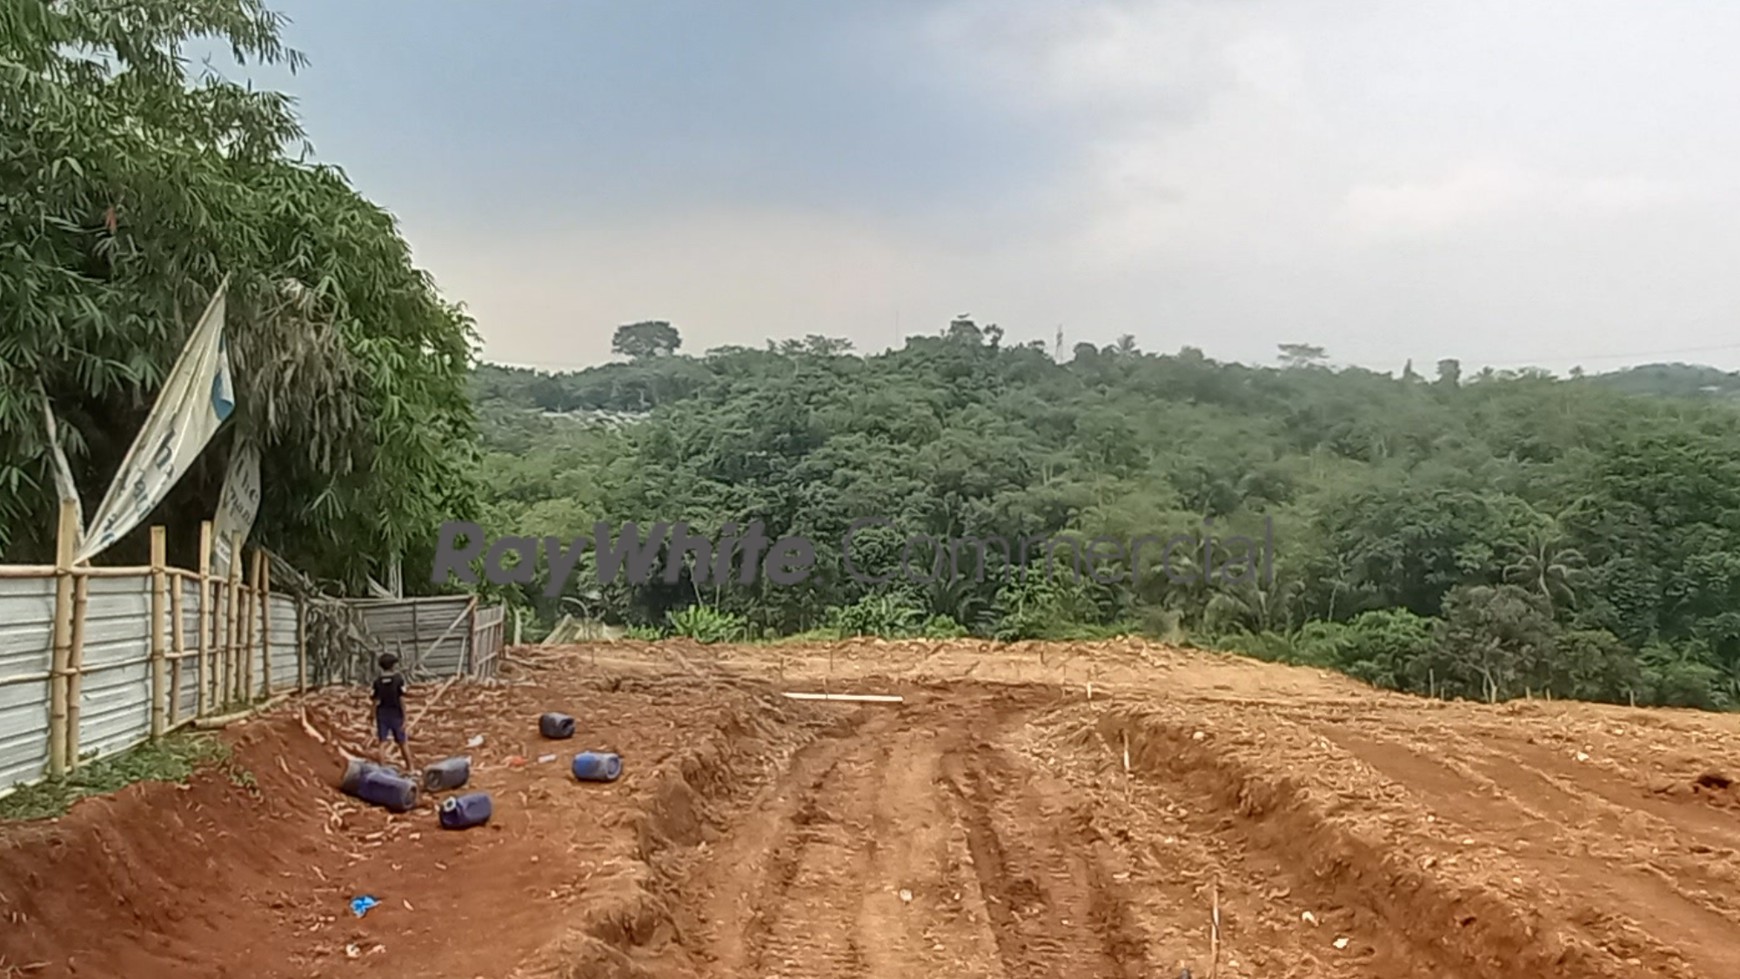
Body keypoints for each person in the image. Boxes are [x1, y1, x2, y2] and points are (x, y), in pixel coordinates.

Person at [371, 653, 414, 770]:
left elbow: (375, 700)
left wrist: (372, 716)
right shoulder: (398, 680)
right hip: (396, 714)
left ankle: (382, 768)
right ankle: (410, 768)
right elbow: (401, 699)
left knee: (382, 742)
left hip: (382, 714)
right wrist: (405, 717)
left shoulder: (377, 682)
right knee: (402, 742)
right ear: (392, 666)